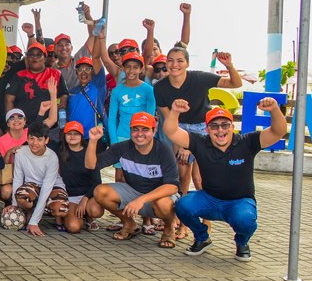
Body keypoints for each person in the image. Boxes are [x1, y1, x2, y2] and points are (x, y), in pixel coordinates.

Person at [165, 98, 287, 261]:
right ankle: (202, 238)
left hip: (239, 202)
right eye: (214, 126)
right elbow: (171, 131)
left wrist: (274, 110)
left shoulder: (247, 142)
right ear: (208, 130)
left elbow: (278, 132)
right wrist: (175, 111)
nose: (220, 130)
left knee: (246, 220)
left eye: (225, 125)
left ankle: (242, 242)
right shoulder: (200, 142)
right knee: (182, 205)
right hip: (209, 199)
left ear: (232, 127)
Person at [154, 46, 243, 201]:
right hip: (179, 128)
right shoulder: (160, 87)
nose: (175, 65)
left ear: (187, 63)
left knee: (199, 177)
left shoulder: (200, 78)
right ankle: (183, 216)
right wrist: (183, 145)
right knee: (182, 174)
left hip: (203, 128)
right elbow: (169, 119)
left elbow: (235, 84)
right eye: (171, 61)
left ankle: (207, 220)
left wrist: (229, 66)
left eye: (180, 61)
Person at [85, 114, 181, 248]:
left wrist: (141, 200)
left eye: (145, 129)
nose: (139, 134)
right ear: (130, 131)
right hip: (134, 191)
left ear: (153, 131)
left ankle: (169, 228)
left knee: (163, 203)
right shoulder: (122, 148)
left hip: (158, 196)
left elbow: (173, 187)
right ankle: (129, 223)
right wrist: (93, 141)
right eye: (135, 129)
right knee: (100, 192)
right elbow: (91, 165)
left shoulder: (163, 150)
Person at [11, 122, 70, 236]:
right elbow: (18, 179)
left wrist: (34, 222)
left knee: (60, 210)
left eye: (39, 139)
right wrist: (14, 206)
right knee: (21, 196)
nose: (35, 143)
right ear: (27, 139)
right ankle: (29, 211)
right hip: (33, 186)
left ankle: (52, 214)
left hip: (52, 186)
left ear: (46, 140)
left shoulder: (52, 157)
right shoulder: (20, 153)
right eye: (31, 139)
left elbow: (46, 188)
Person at [57, 121, 103, 233]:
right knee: (74, 227)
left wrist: (85, 198)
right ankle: (77, 217)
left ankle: (89, 216)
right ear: (65, 136)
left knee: (96, 211)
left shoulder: (89, 151)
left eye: (76, 133)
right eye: (69, 133)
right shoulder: (59, 152)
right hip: (70, 196)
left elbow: (98, 181)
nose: (72, 136)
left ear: (81, 136)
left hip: (88, 195)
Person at [108, 52, 156, 145]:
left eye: (135, 67)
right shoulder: (116, 91)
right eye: (128, 67)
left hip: (142, 138)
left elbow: (151, 117)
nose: (131, 70)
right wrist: (114, 141)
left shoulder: (149, 90)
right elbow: (112, 119)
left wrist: (148, 140)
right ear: (123, 68)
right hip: (122, 137)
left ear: (141, 69)